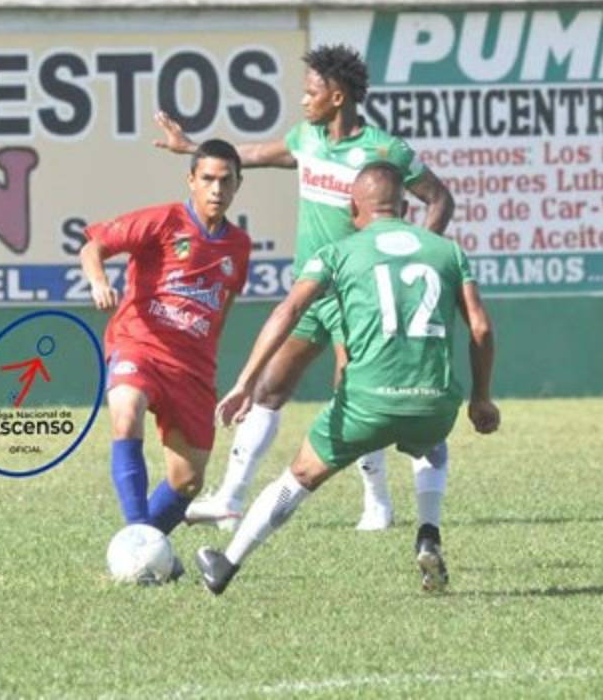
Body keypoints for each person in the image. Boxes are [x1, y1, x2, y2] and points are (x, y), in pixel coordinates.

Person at [154, 44, 456, 531]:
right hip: (311, 289)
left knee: (356, 391)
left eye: (311, 92)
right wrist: (191, 147)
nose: (303, 101)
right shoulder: (306, 138)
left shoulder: (384, 151)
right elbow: (249, 154)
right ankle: (231, 498)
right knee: (270, 388)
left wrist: (412, 250)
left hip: (358, 295)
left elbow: (439, 198)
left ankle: (377, 503)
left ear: (337, 97)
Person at [193, 164, 498, 595]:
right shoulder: (447, 251)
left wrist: (246, 380)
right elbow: (482, 328)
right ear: (406, 207)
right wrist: (481, 398)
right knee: (431, 441)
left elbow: (288, 312)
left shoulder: (337, 252)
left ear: (355, 208)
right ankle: (428, 532)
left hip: (366, 404)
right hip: (434, 403)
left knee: (298, 478)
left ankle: (226, 563)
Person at [80, 139, 251, 578]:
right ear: (190, 181)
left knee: (187, 481)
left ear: (237, 185)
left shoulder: (238, 247)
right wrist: (98, 282)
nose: (216, 188)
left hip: (192, 368)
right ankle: (138, 539)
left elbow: (222, 312)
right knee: (125, 413)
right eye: (207, 179)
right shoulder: (163, 221)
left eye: (226, 180)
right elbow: (93, 246)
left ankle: (142, 555)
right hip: (138, 343)